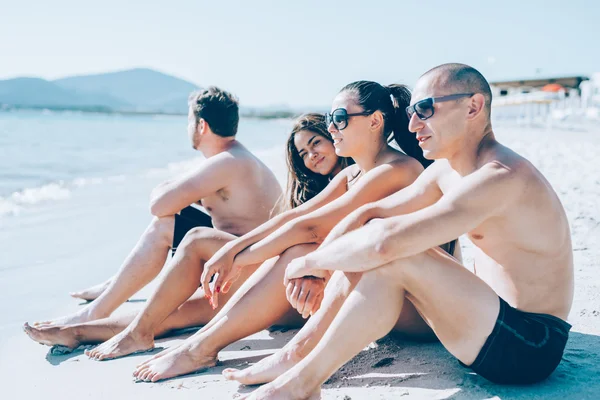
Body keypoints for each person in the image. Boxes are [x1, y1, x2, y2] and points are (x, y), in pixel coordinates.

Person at [238, 63, 574, 400]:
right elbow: (371, 214)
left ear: (472, 107)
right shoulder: (446, 170)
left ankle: (301, 381)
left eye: (426, 110)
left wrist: (309, 263)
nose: (412, 124)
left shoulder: (499, 176)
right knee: (381, 247)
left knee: (399, 253)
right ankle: (299, 359)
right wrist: (322, 266)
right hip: (485, 324)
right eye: (413, 111)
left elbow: (385, 243)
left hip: (530, 346)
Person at [130, 81, 457, 383]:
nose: (331, 127)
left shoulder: (397, 170)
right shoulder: (354, 173)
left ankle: (200, 348)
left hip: (421, 310)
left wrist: (242, 260)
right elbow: (296, 216)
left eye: (340, 118)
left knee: (301, 250)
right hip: (382, 301)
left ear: (374, 121)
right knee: (297, 251)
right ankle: (198, 344)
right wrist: (232, 251)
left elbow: (313, 229)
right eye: (330, 117)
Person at [23, 113, 350, 352]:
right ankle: (78, 331)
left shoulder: (352, 179)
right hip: (280, 282)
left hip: (302, 290)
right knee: (175, 312)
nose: (311, 156)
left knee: (195, 240)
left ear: (334, 137)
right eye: (303, 153)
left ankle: (111, 327)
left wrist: (234, 256)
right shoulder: (316, 189)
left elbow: (314, 234)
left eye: (315, 143)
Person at [26, 86, 283, 328]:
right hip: (245, 259)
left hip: (250, 272)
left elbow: (159, 206)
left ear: (201, 125)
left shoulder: (226, 163)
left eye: (189, 121)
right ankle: (113, 286)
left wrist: (165, 187)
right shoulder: (236, 159)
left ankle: (97, 311)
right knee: (176, 218)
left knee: (164, 225)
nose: (187, 127)